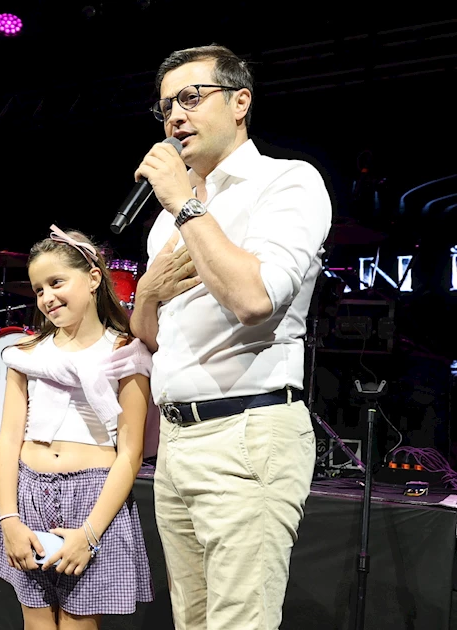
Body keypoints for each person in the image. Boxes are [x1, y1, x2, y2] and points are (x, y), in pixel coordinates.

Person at [129, 44, 332, 629]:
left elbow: (254, 299)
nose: (175, 116)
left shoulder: (286, 182)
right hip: (176, 441)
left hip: (247, 432)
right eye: (166, 106)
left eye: (192, 98)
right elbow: (153, 340)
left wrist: (183, 203)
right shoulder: (168, 219)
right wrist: (145, 294)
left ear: (240, 102)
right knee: (191, 620)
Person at [0, 225, 154, 629]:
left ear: (93, 278)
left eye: (56, 282)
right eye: (38, 290)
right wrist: (8, 518)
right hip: (29, 495)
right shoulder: (27, 354)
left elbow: (130, 453)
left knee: (78, 622)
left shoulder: (124, 353)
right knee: (36, 623)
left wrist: (89, 534)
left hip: (93, 500)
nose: (46, 297)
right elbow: (9, 440)